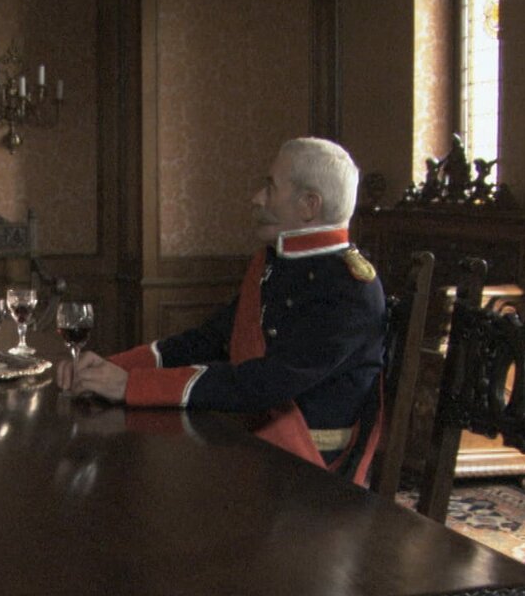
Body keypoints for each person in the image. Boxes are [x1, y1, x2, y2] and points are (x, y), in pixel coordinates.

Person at [56, 137, 387, 485]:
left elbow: (264, 383)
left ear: (309, 205)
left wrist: (132, 386)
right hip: (254, 445)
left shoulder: (350, 289)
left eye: (270, 187)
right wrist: (112, 367)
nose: (257, 198)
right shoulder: (275, 264)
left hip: (310, 472)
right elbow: (209, 340)